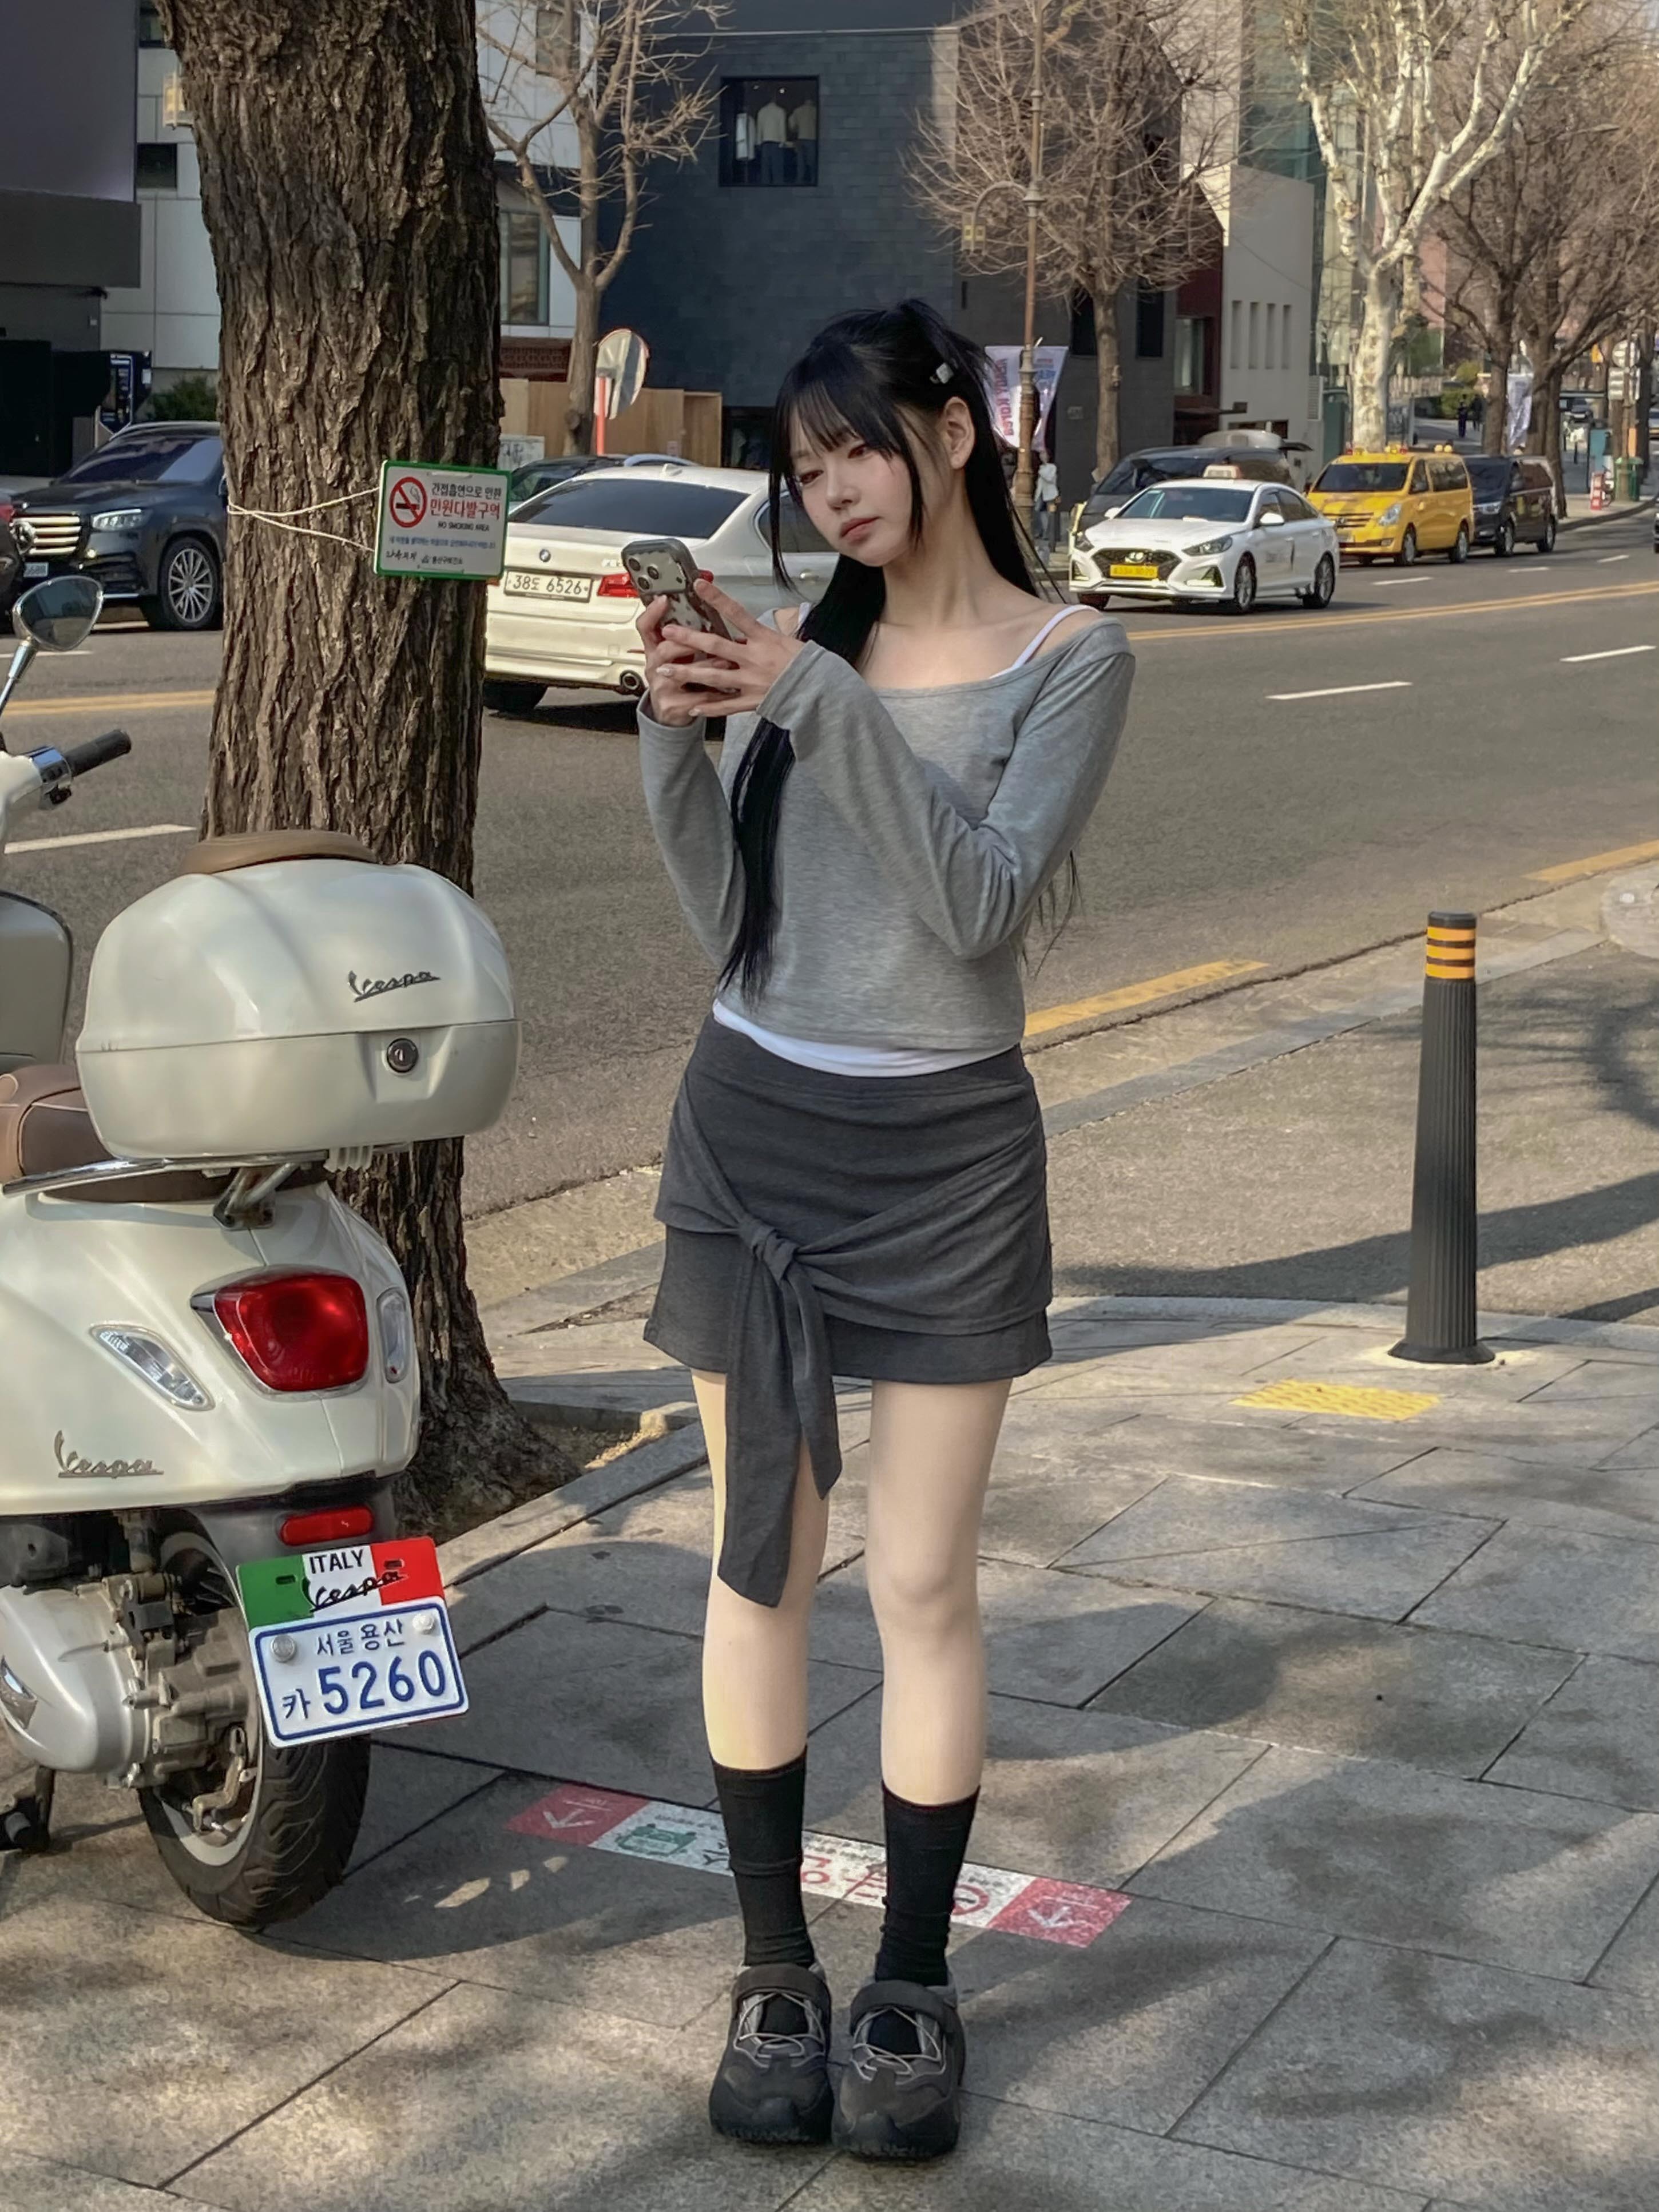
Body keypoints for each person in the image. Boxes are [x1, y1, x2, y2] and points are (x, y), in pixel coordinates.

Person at [634, 299, 1134, 2163]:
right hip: (753, 1127)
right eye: (804, 462)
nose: (833, 486)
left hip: (943, 1159)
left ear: (955, 429)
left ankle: (910, 1978)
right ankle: (775, 1968)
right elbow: (731, 925)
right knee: (760, 1561)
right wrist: (676, 733)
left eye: (859, 444)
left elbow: (978, 910)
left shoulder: (1068, 658)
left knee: (920, 1579)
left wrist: (807, 700)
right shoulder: (804, 653)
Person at [1035, 454, 1061, 554]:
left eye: (1044, 456)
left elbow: (1050, 479)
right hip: (1041, 494)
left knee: (1051, 516)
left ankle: (1050, 537)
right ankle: (1043, 533)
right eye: (1041, 456)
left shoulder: (1052, 467)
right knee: (1040, 514)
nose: (1043, 458)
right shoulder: (1041, 467)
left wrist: (1041, 472)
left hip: (1051, 495)